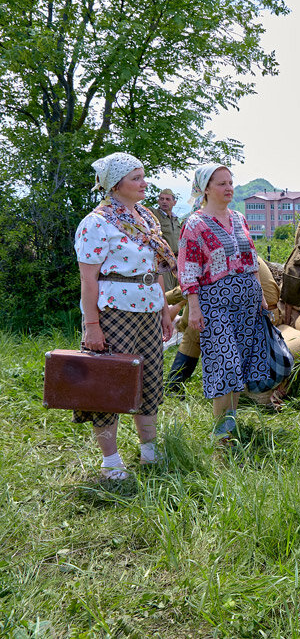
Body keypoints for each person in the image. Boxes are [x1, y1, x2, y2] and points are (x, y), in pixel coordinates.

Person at [74, 152, 175, 479]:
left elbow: (156, 268)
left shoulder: (147, 218)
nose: (144, 183)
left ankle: (149, 452)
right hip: (113, 312)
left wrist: (164, 310)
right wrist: (92, 326)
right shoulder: (97, 222)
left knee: (149, 381)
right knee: (110, 384)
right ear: (115, 185)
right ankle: (111, 463)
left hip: (148, 310)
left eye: (143, 176)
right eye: (136, 178)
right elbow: (88, 280)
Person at [177, 164, 271, 439]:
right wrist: (193, 307)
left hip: (248, 300)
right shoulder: (195, 224)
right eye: (221, 184)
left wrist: (262, 297)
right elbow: (188, 269)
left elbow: (250, 259)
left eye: (230, 182)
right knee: (225, 364)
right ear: (205, 188)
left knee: (240, 364)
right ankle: (221, 433)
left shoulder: (239, 218)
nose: (229, 188)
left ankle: (230, 424)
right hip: (214, 303)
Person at [164, 254, 280, 396]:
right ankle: (174, 383)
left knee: (195, 331)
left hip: (257, 311)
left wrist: (160, 299)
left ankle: (174, 384)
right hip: (259, 307)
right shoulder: (232, 243)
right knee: (197, 315)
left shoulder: (215, 252)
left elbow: (188, 287)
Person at [150, 188, 182, 292]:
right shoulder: (154, 215)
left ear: (174, 202)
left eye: (168, 199)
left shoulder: (176, 220)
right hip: (163, 261)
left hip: (178, 261)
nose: (164, 201)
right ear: (158, 201)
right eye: (161, 199)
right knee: (166, 293)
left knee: (179, 292)